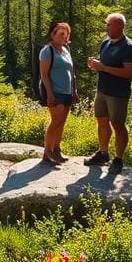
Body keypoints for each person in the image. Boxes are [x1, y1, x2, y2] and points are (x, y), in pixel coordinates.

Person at [84, 12, 132, 173]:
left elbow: (129, 72)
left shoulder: (128, 47)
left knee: (118, 124)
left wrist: (103, 67)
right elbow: (104, 65)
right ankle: (103, 153)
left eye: (110, 25)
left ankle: (118, 159)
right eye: (107, 24)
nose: (107, 28)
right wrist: (96, 65)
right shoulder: (105, 43)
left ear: (120, 26)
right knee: (101, 121)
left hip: (118, 93)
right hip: (102, 90)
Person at [38, 21, 77, 166]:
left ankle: (56, 150)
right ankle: (47, 152)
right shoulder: (47, 51)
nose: (64, 36)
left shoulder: (66, 50)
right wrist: (50, 94)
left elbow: (72, 72)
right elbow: (44, 74)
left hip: (67, 92)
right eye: (61, 34)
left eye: (66, 34)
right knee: (56, 121)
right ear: (52, 34)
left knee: (62, 122)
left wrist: (74, 90)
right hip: (55, 91)